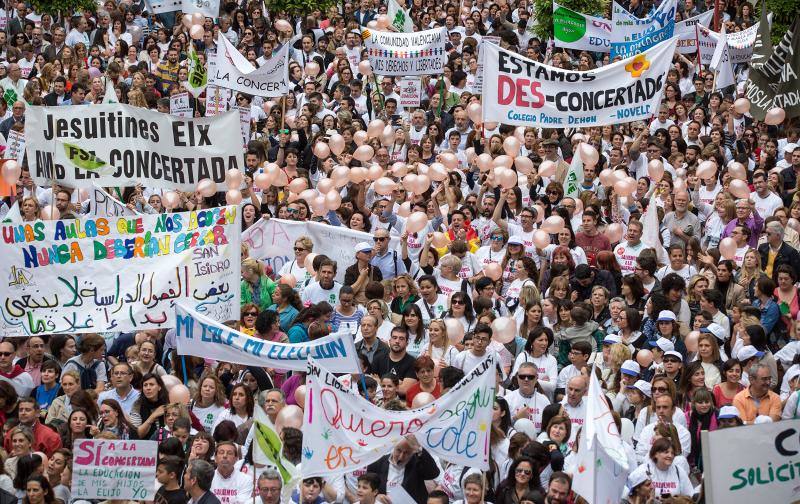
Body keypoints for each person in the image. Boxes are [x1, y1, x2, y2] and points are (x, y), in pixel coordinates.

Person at [365, 436, 440, 503]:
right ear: (393, 446)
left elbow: (433, 473)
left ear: (413, 452)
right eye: (398, 450)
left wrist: (419, 449)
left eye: (407, 453)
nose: (401, 457)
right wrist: (375, 497)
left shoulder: (417, 462)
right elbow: (367, 487)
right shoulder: (377, 463)